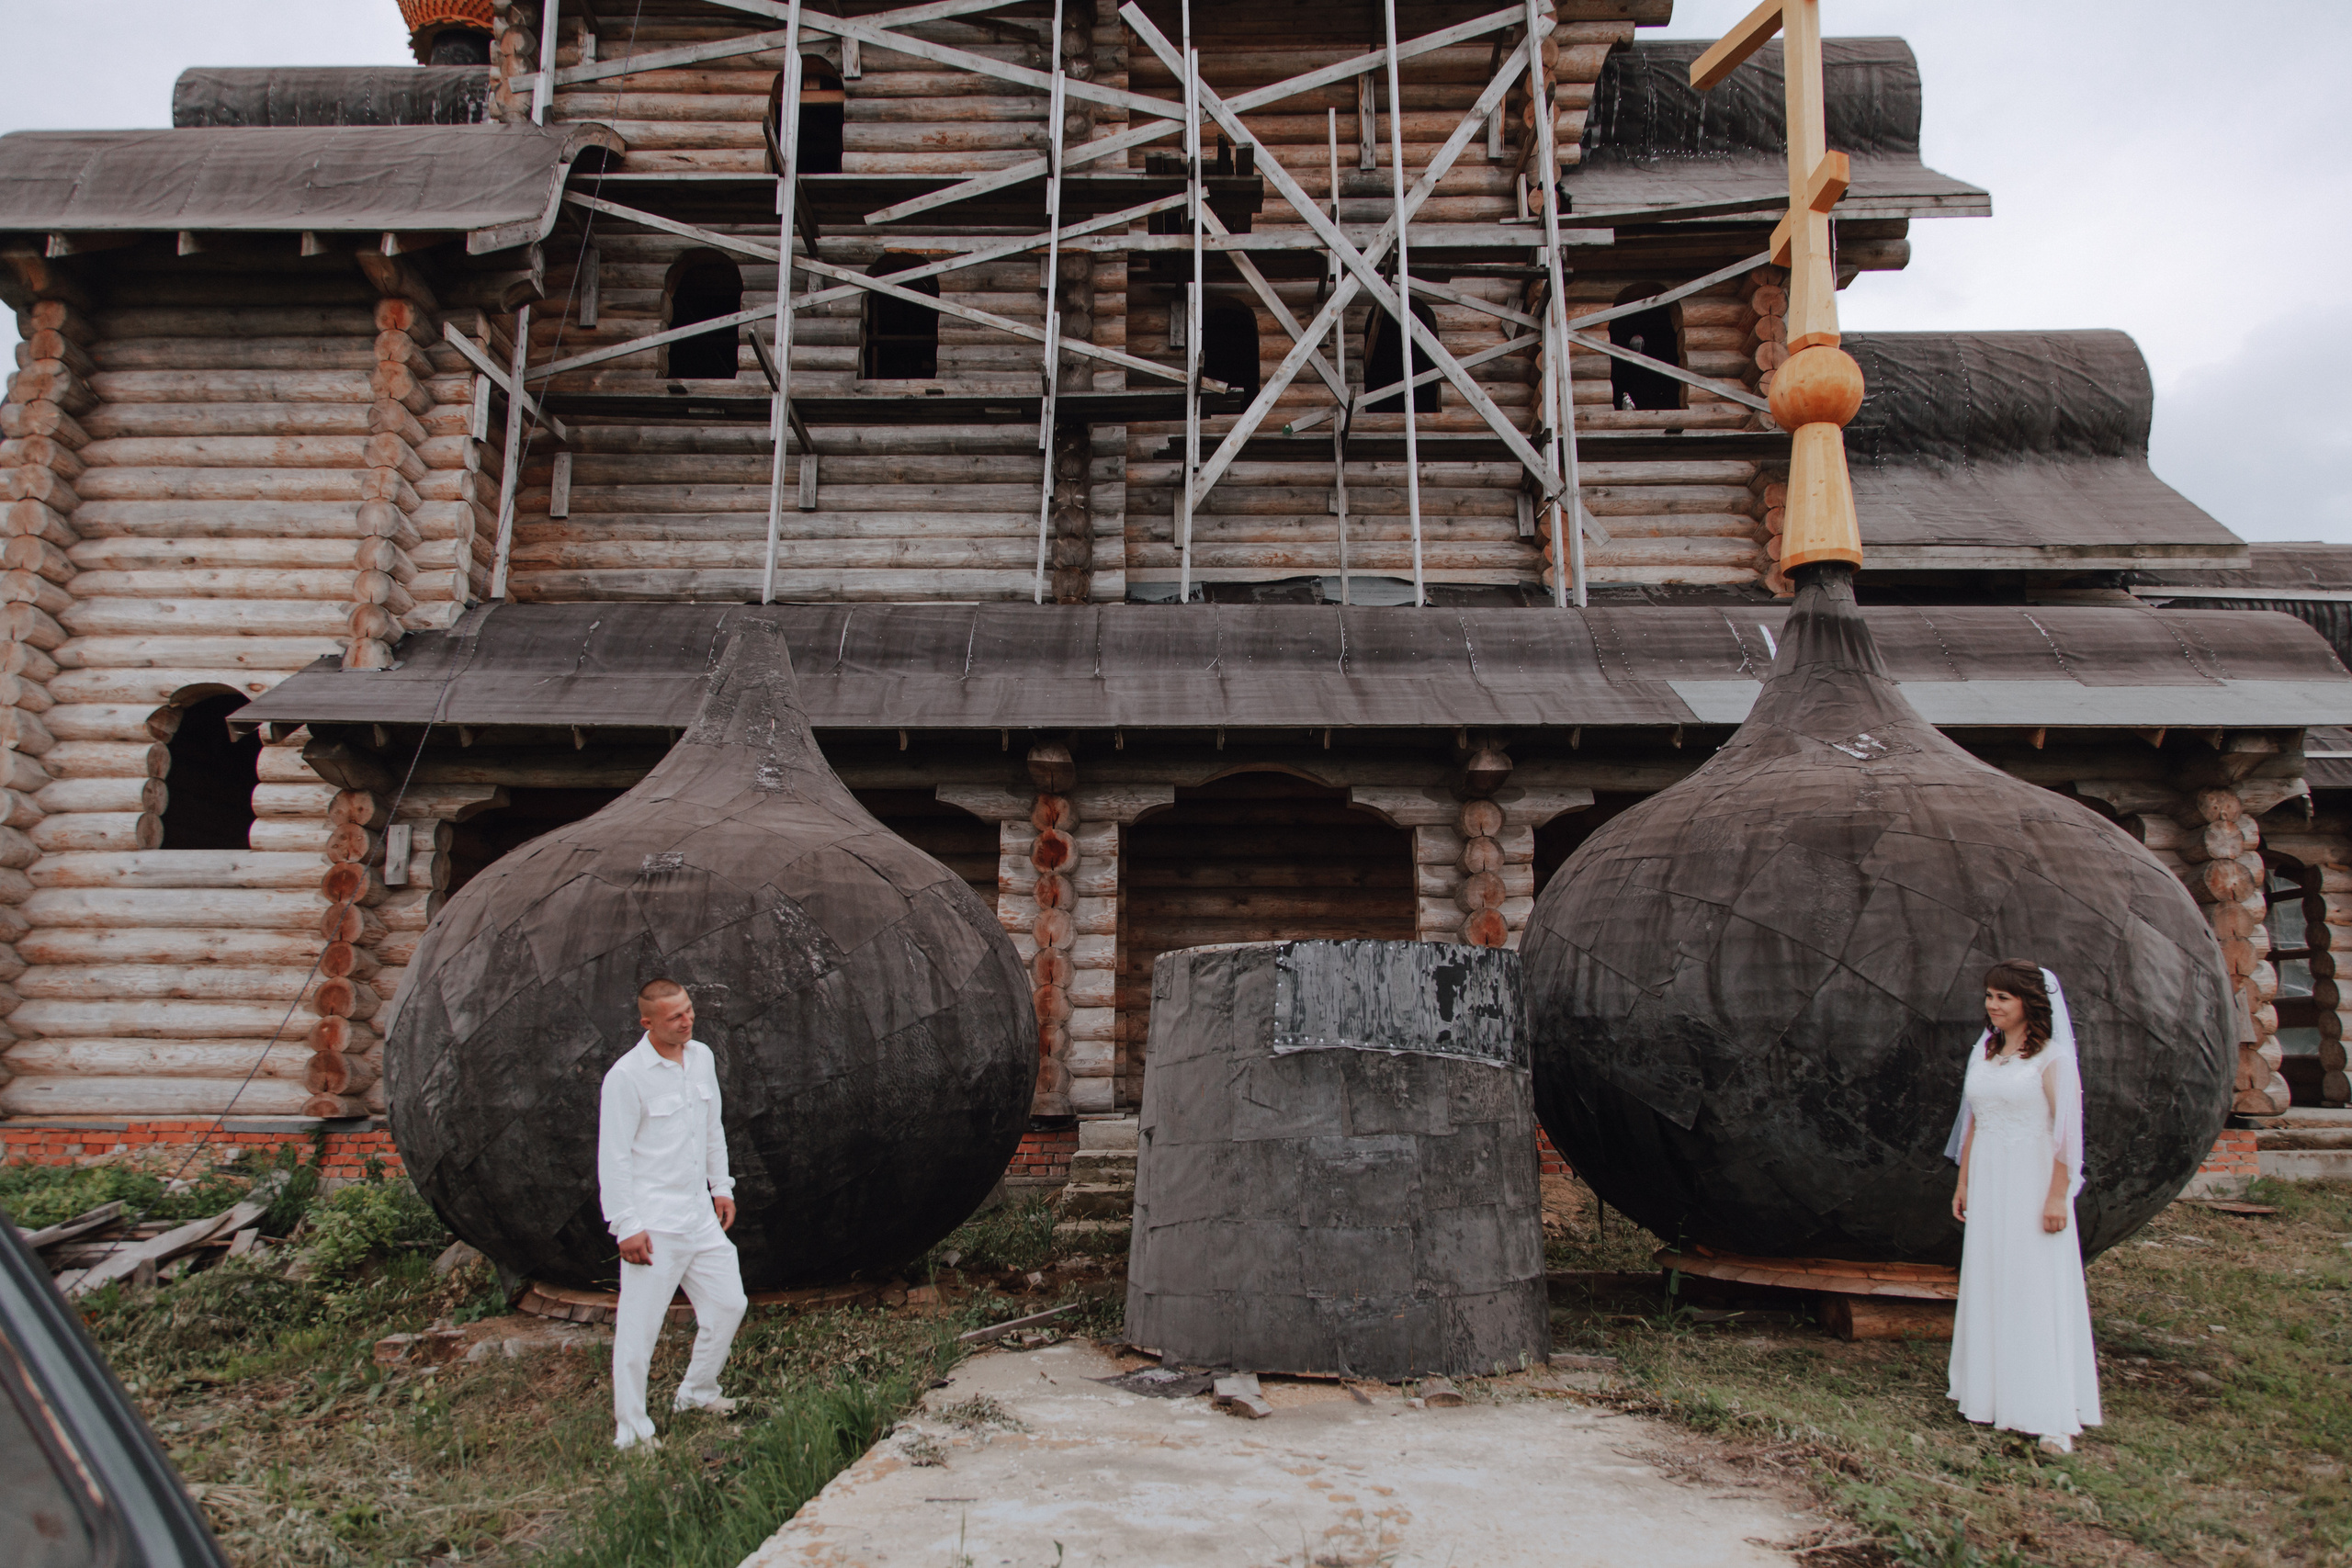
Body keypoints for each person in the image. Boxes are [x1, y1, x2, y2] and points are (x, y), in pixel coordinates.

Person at [1944, 960, 2102, 1454]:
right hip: (1989, 1179)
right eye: (1989, 996)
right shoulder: (1986, 1053)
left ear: (2029, 1004)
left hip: (2032, 1181)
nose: (1992, 1006)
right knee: (1994, 1276)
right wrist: (1964, 1183)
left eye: (2003, 998)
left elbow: (2065, 1135)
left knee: (2032, 1282)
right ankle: (1991, 1392)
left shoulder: (2053, 1059)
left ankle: (2048, 1410)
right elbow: (1973, 1124)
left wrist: (2058, 1195)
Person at [597, 977, 749, 1450]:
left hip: (698, 1215)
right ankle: (633, 1433)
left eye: (688, 1010)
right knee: (639, 1331)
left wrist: (720, 1186)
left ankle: (698, 1393)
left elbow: (711, 1126)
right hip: (653, 1223)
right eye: (674, 1017)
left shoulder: (700, 1057)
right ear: (647, 1023)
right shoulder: (626, 1077)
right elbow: (614, 1156)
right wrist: (626, 1224)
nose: (687, 1021)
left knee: (729, 1303)